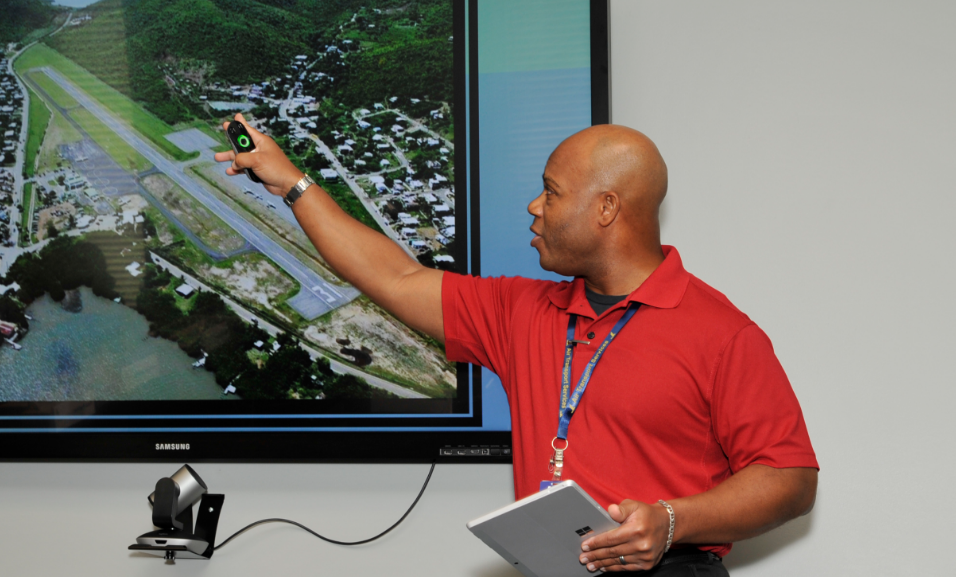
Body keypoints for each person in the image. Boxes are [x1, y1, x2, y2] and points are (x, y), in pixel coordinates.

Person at [215, 115, 818, 574]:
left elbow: (790, 479)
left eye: (552, 192)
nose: (535, 206)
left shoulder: (721, 333)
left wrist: (670, 520)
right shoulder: (525, 310)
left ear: (606, 208)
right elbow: (393, 277)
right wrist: (292, 182)